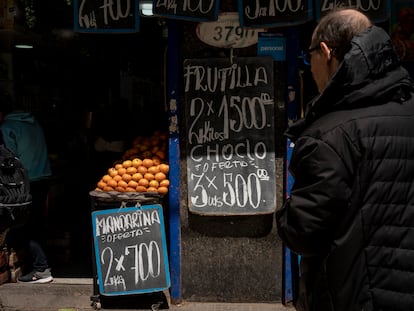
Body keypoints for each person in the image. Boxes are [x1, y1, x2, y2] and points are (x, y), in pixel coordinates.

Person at [276, 8, 414, 311]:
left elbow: (302, 232)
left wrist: (287, 212)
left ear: (325, 53)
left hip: (353, 297)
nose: (310, 67)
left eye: (309, 54)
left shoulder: (328, 135)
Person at [0, 93, 53, 283]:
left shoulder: (7, 127)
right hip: (43, 176)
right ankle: (39, 266)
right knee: (36, 222)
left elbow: (8, 158)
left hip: (27, 180)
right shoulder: (33, 122)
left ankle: (41, 269)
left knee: (29, 225)